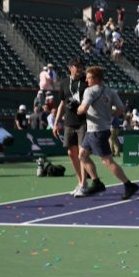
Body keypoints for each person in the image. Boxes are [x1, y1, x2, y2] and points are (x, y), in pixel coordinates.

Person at [76, 66, 139, 200]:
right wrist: (110, 114)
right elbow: (122, 109)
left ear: (95, 78)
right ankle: (96, 182)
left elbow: (84, 107)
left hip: (96, 131)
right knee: (82, 155)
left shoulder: (89, 91)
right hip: (99, 129)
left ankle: (128, 184)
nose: (86, 81)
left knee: (107, 161)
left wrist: (78, 109)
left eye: (88, 78)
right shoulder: (110, 91)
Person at [53, 57, 90, 197]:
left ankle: (84, 185)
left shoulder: (86, 81)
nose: (79, 68)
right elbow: (62, 104)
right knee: (71, 153)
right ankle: (80, 182)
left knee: (82, 154)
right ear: (70, 67)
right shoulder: (63, 83)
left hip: (83, 122)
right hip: (69, 122)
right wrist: (56, 123)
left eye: (81, 66)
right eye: (77, 66)